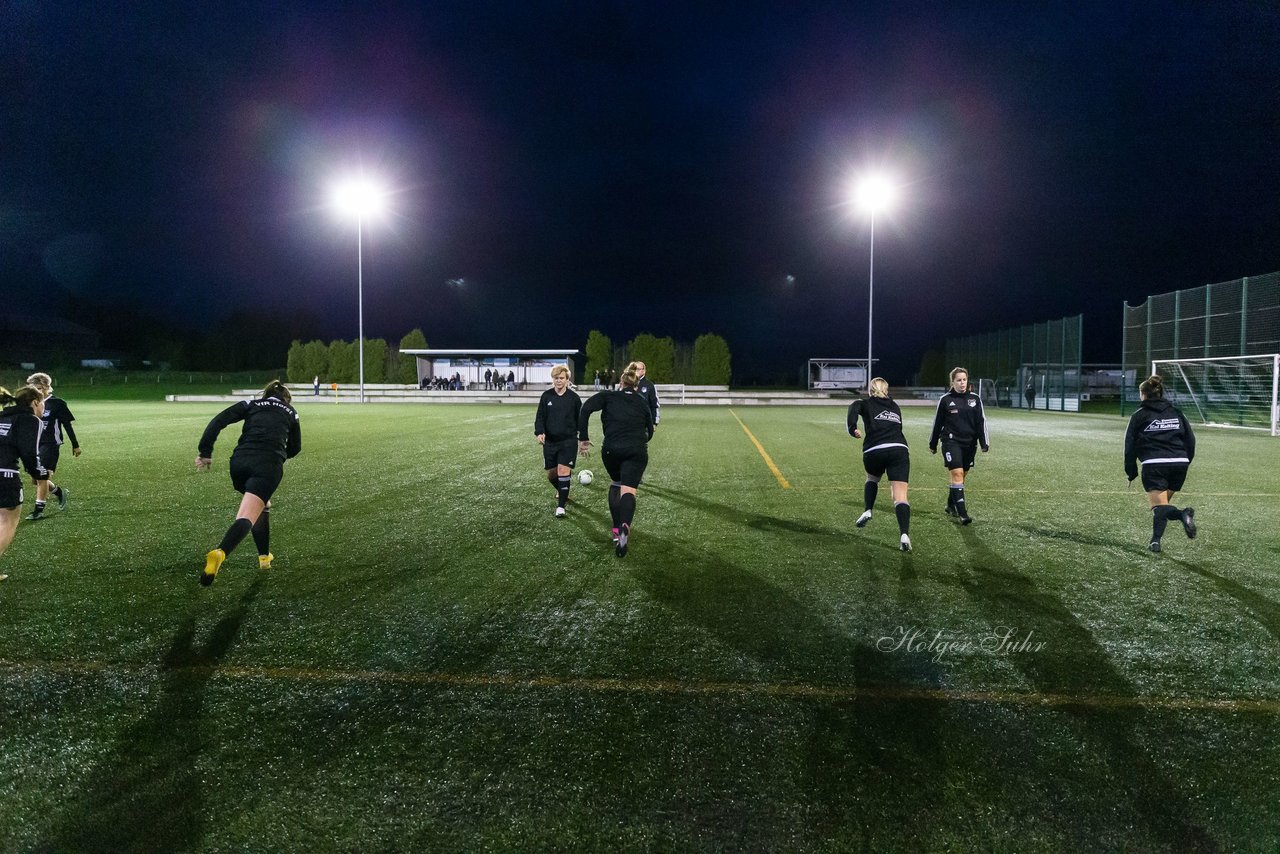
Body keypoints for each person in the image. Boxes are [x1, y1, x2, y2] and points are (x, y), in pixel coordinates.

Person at [195, 379, 301, 586]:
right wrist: (276, 456)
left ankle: (264, 557)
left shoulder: (251, 404)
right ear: (286, 398)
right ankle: (220, 552)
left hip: (239, 463)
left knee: (262, 504)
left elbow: (218, 421)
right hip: (267, 466)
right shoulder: (291, 412)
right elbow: (295, 448)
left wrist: (205, 451)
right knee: (247, 515)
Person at [578, 362, 654, 557]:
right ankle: (624, 527)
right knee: (628, 490)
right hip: (636, 450)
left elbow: (585, 409)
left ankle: (615, 529)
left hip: (611, 450)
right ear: (636, 385)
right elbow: (650, 431)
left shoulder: (608, 396)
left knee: (616, 483)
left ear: (621, 382)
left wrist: (584, 438)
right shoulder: (642, 401)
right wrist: (639, 440)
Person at [1124, 374, 1197, 553]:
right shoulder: (1177, 412)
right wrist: (1185, 461)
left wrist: (1131, 472)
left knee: (1159, 507)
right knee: (1162, 507)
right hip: (1180, 464)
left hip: (1155, 465)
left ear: (1143, 394)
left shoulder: (1139, 415)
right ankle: (1155, 541)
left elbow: (1129, 446)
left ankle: (1182, 515)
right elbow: (1191, 440)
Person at [847, 377, 913, 552]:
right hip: (899, 449)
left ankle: (868, 510)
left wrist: (852, 427)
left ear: (870, 390)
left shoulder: (865, 403)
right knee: (900, 496)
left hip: (874, 450)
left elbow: (853, 407)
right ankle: (904, 534)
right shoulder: (895, 407)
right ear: (887, 390)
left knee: (872, 478)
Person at [928, 366, 989, 524]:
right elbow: (937, 424)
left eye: (964, 380)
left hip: (969, 444)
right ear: (952, 382)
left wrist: (984, 443)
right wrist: (933, 443)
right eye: (959, 380)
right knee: (957, 474)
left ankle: (950, 505)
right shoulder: (946, 400)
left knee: (962, 477)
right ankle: (963, 514)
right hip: (950, 442)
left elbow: (981, 422)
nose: (962, 383)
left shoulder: (975, 399)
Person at [0, 385, 47, 581]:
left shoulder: (2, 416)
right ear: (35, 402)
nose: (43, 407)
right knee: (8, 521)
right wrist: (39, 473)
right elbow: (29, 452)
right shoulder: (30, 420)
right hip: (6, 476)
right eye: (42, 402)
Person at [24, 373, 80, 521]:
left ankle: (38, 510)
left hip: (50, 444)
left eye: (39, 388)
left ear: (47, 387)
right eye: (33, 388)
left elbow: (67, 424)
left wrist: (75, 445)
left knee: (42, 477)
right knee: (35, 479)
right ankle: (59, 493)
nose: (36, 391)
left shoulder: (57, 403)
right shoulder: (30, 402)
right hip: (33, 444)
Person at [534, 365, 583, 517]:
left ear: (568, 380)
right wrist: (539, 432)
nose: (559, 381)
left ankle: (561, 506)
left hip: (568, 441)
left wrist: (583, 438)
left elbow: (581, 420)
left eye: (562, 378)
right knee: (551, 475)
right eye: (556, 378)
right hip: (550, 442)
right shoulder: (546, 396)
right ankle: (562, 490)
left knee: (563, 471)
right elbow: (540, 416)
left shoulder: (574, 398)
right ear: (553, 379)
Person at [633, 361, 661, 429]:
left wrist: (654, 422)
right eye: (635, 369)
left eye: (638, 369)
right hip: (629, 420)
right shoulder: (627, 383)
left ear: (644, 371)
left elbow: (655, 404)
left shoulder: (649, 385)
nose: (636, 371)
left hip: (644, 421)